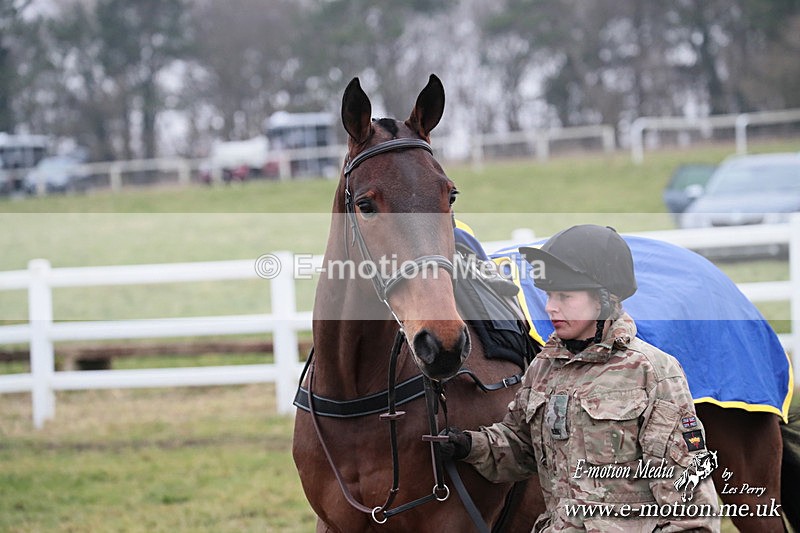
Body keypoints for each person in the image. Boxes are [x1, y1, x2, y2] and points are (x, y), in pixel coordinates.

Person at [442, 224, 719, 532]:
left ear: (603, 300)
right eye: (549, 295)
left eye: (565, 296)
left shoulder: (652, 372)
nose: (550, 307)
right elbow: (521, 448)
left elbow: (688, 493)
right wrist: (469, 445)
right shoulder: (544, 368)